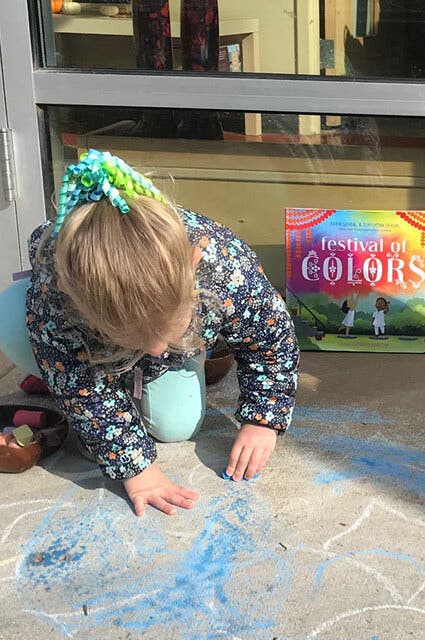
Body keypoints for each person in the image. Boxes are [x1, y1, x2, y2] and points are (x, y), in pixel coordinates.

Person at [1, 149, 299, 516]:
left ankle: (147, 357)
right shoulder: (58, 292)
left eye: (167, 332)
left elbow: (270, 339)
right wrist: (138, 470)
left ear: (191, 269)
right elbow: (82, 388)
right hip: (80, 338)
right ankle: (57, 371)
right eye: (140, 340)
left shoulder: (221, 268)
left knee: (176, 426)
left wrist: (263, 419)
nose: (156, 349)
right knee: (10, 316)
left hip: (176, 336)